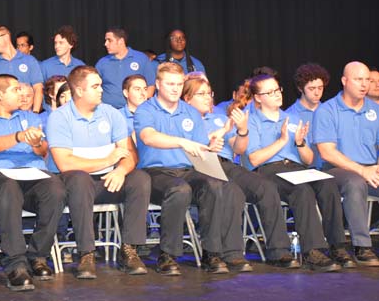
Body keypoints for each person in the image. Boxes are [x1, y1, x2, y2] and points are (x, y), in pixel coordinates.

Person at [134, 62, 250, 275]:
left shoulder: (190, 112)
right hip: (156, 172)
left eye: (179, 84)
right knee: (180, 189)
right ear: (158, 84)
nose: (175, 88)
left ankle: (211, 253)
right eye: (170, 83)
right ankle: (167, 255)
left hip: (188, 169)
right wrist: (181, 142)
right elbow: (148, 136)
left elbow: (198, 149)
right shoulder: (146, 109)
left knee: (215, 185)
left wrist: (210, 145)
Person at [182, 77, 298, 268]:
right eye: (200, 94)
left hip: (226, 163)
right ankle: (232, 253)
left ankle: (279, 251)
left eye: (209, 94)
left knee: (265, 187)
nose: (207, 98)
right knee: (232, 191)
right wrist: (213, 140)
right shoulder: (184, 118)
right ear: (187, 98)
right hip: (200, 166)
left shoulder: (219, 116)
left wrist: (242, 131)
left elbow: (238, 148)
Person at [46, 66, 150, 279]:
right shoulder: (60, 118)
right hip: (75, 185)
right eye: (95, 86)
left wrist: (120, 170)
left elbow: (129, 154)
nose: (101, 90)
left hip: (110, 180)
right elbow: (65, 163)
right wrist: (109, 159)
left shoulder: (111, 114)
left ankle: (130, 250)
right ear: (79, 90)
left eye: (101, 85)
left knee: (140, 178)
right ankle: (86, 253)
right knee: (79, 179)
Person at [0, 75, 65, 291]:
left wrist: (35, 142)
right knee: (8, 187)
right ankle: (15, 264)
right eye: (15, 90)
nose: (22, 94)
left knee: (56, 188)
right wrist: (19, 137)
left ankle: (38, 255)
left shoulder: (30, 117)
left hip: (32, 172)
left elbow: (42, 152)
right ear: (0, 95)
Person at [244, 74, 348, 271]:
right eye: (270, 92)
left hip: (297, 168)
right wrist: (282, 141)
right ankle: (312, 251)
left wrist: (300, 143)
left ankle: (337, 245)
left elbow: (309, 159)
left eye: (278, 90)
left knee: (328, 184)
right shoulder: (252, 120)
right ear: (258, 97)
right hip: (269, 170)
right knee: (302, 191)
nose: (276, 95)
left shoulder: (292, 118)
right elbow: (254, 159)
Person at [313, 61, 379, 266]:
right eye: (359, 79)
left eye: (367, 80)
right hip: (336, 169)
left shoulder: (374, 109)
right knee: (355, 182)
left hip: (370, 167)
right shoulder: (328, 110)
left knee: (361, 179)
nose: (364, 84)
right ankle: (362, 246)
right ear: (344, 81)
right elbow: (327, 152)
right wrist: (362, 170)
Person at [0, 24, 44, 112]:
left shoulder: (30, 60)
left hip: (28, 115)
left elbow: (38, 88)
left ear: (7, 37)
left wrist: (35, 113)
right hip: (4, 119)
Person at [96, 28, 155, 108]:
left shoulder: (141, 58)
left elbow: (151, 85)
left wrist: (142, 105)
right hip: (109, 113)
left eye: (109, 40)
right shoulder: (102, 63)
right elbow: (94, 87)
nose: (105, 44)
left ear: (121, 41)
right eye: (106, 40)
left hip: (136, 111)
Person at [286, 63, 330, 169]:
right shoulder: (290, 115)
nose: (317, 93)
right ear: (301, 88)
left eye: (320, 88)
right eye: (311, 88)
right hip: (304, 169)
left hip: (331, 167)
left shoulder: (330, 111)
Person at [119, 75, 149, 143]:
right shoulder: (117, 116)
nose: (142, 93)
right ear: (126, 93)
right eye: (137, 89)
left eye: (145, 89)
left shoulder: (155, 114)